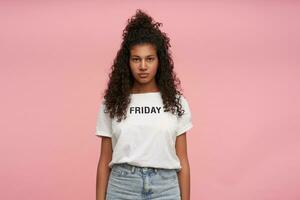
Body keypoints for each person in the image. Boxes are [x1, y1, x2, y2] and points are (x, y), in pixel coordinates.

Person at [95, 9, 193, 200]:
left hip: (166, 188)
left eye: (149, 59)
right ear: (127, 62)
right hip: (122, 187)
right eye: (136, 59)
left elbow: (183, 160)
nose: (142, 66)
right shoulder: (112, 103)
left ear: (159, 61)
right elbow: (104, 159)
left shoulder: (176, 103)